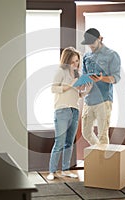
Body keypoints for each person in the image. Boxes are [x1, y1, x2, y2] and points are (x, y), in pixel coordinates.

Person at [80, 28, 121, 145]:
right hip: (88, 100)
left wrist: (102, 78)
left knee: (102, 134)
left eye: (92, 43)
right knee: (86, 132)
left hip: (104, 100)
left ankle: (102, 161)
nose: (90, 46)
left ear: (100, 39)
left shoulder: (112, 55)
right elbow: (84, 75)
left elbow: (115, 78)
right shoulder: (86, 57)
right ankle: (99, 152)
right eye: (88, 44)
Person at [47, 47, 81, 181]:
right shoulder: (60, 71)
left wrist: (85, 91)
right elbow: (53, 88)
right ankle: (52, 171)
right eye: (73, 62)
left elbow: (76, 94)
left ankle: (65, 169)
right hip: (62, 110)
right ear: (66, 61)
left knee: (69, 142)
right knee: (59, 142)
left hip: (74, 109)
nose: (75, 64)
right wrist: (70, 85)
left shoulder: (77, 74)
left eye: (77, 61)